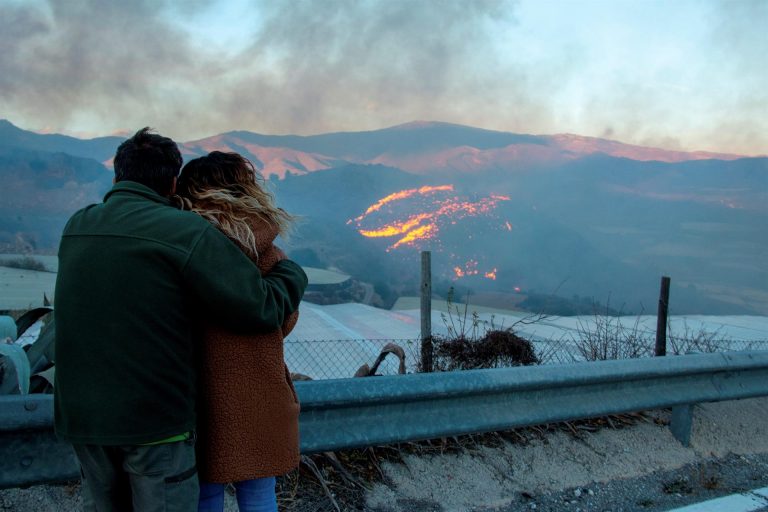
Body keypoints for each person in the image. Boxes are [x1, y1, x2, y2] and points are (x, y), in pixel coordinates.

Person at [53, 128, 308, 512]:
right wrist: (293, 274)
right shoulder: (185, 234)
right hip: (160, 418)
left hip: (84, 415)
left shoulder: (76, 226)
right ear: (172, 182)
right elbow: (264, 311)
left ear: (116, 176)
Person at [175, 151, 301, 512]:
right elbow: (286, 320)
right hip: (260, 390)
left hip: (198, 393)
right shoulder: (268, 251)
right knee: (260, 491)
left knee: (205, 490)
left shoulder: (183, 246)